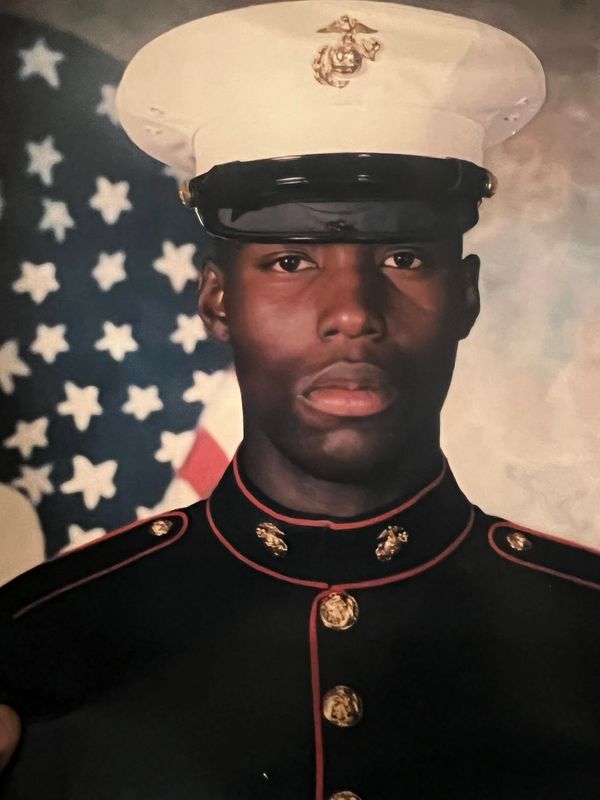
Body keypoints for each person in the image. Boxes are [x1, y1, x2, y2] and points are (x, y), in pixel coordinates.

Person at [1, 2, 598, 799]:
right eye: (288, 261)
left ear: (466, 297)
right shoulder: (38, 648)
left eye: (405, 254)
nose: (352, 311)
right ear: (218, 302)